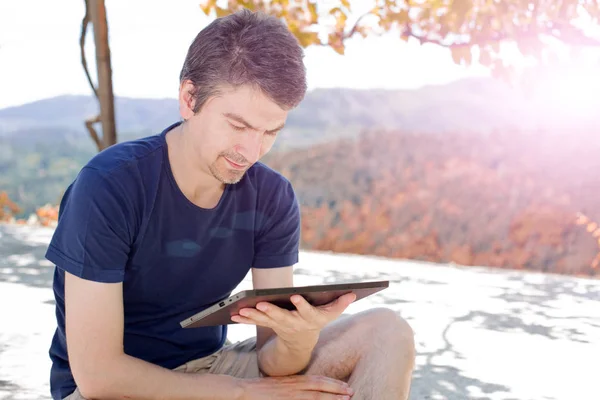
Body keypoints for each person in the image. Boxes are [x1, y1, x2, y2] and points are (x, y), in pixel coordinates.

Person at [45, 8, 415, 400]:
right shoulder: (109, 185)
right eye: (237, 126)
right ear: (189, 99)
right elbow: (99, 376)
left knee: (386, 332)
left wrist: (298, 338)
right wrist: (236, 393)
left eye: (270, 131)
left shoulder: (272, 197)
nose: (251, 152)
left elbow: (275, 363)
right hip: (118, 388)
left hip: (215, 369)